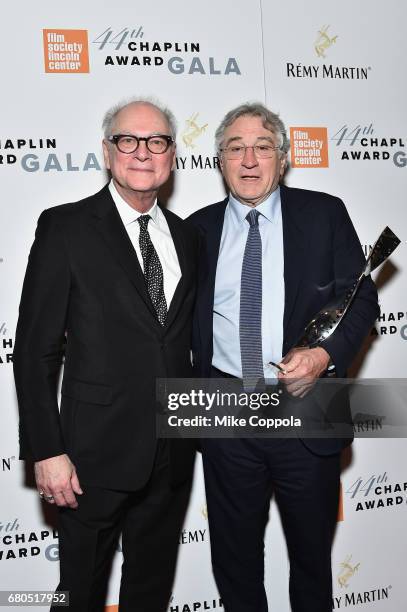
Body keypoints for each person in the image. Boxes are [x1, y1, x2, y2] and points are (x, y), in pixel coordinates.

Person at [188, 102, 379, 612]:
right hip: (226, 415)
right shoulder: (194, 230)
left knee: (313, 563)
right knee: (234, 563)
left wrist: (324, 357)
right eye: (235, 148)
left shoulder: (324, 214)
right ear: (220, 161)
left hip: (307, 409)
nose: (249, 159)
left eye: (262, 147)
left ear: (283, 157)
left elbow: (363, 298)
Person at [13, 98, 198, 611]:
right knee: (78, 594)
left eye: (157, 141)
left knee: (150, 591)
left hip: (172, 450)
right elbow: (33, 351)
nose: (143, 152)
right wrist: (47, 451)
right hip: (90, 456)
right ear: (107, 150)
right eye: (128, 140)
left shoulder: (188, 237)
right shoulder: (65, 228)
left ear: (172, 155)